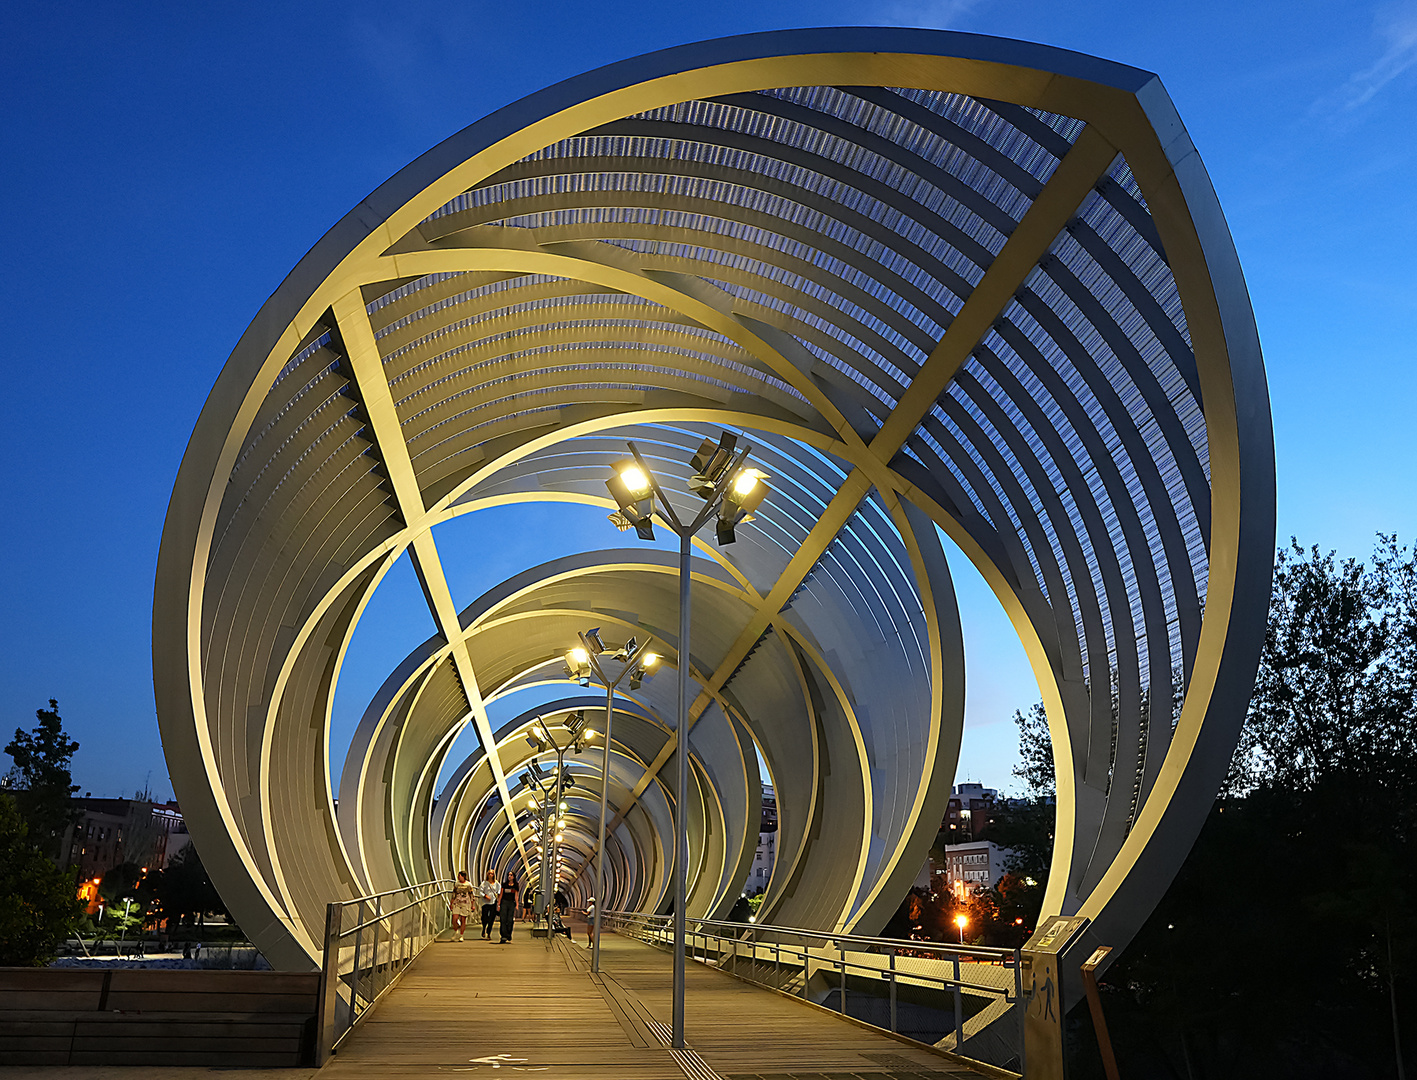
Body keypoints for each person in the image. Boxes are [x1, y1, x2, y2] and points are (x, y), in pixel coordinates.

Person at [449, 871, 475, 941]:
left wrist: (472, 905)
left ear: (463, 876)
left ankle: (461, 935)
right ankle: (456, 930)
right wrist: (451, 903)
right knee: (454, 918)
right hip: (457, 903)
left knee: (463, 919)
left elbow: (471, 895)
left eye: (459, 876)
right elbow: (453, 894)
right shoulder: (457, 884)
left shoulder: (468, 884)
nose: (458, 877)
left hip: (465, 903)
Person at [498, 870, 519, 943]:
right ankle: (503, 935)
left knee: (510, 920)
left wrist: (517, 904)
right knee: (503, 919)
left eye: (511, 875)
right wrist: (499, 904)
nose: (509, 876)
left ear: (513, 877)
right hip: (504, 902)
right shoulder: (504, 885)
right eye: (508, 875)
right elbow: (501, 895)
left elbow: (516, 895)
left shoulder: (516, 885)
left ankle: (509, 934)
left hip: (511, 903)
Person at [478, 870, 499, 940]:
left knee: (491, 918)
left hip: (493, 902)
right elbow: (480, 892)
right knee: (485, 917)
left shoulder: (496, 884)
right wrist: (485, 896)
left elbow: (499, 893)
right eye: (489, 873)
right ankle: (484, 928)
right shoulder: (484, 883)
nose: (490, 875)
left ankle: (489, 932)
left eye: (492, 874)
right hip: (485, 903)